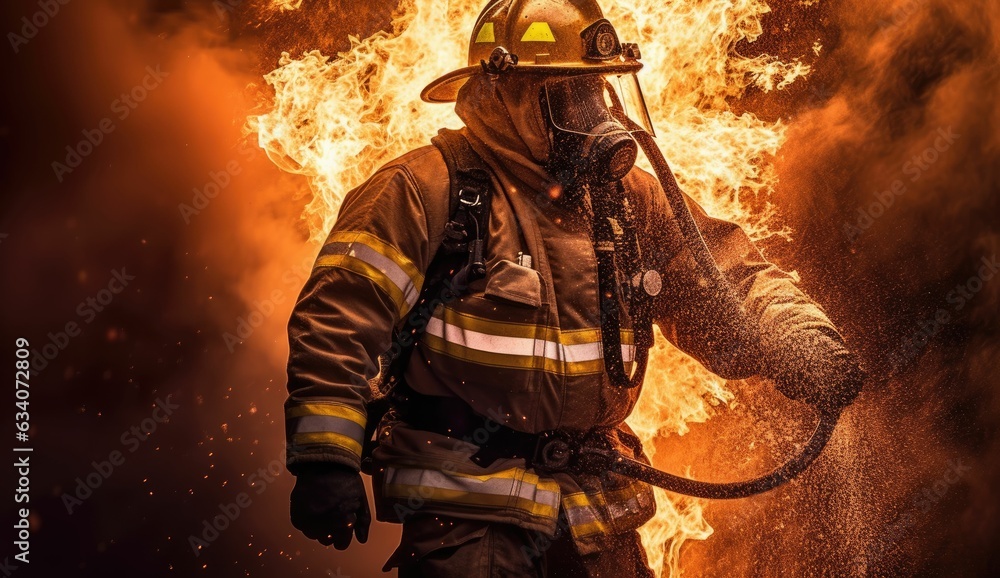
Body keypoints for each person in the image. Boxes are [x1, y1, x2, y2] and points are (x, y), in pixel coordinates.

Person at [283, 1, 864, 576]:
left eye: (598, 93)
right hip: (469, 520)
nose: (592, 115)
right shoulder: (424, 189)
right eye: (568, 97)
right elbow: (337, 324)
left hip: (598, 517)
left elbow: (726, 280)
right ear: (505, 94)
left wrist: (800, 340)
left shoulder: (629, 198)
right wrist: (323, 459)